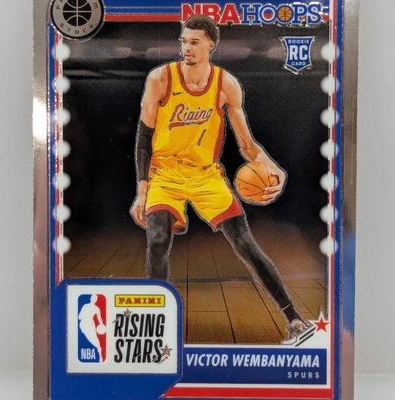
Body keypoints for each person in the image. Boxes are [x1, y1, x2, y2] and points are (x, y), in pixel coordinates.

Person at [130, 15, 308, 343]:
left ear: (211, 45)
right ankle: (153, 324)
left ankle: (294, 318)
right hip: (165, 173)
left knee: (245, 244)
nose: (186, 47)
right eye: (184, 41)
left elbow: (247, 145)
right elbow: (144, 137)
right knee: (157, 240)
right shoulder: (161, 78)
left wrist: (275, 169)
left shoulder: (226, 84)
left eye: (194, 42)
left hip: (205, 175)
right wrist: (142, 191)